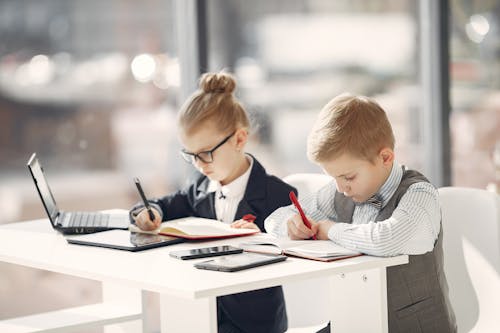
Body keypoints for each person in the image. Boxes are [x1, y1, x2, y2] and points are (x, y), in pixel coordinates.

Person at [265, 94, 456, 333]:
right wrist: (291, 225)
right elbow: (273, 220)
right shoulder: (341, 193)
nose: (341, 188)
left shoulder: (419, 193)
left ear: (385, 158)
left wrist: (331, 230)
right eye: (333, 178)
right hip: (355, 322)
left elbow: (388, 239)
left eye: (348, 177)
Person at [130, 72, 295, 333]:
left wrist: (261, 239)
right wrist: (150, 211)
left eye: (205, 154)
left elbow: (300, 245)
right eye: (191, 155)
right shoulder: (199, 188)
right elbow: (172, 203)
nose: (198, 164)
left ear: (240, 139)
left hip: (254, 323)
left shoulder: (277, 194)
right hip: (202, 314)